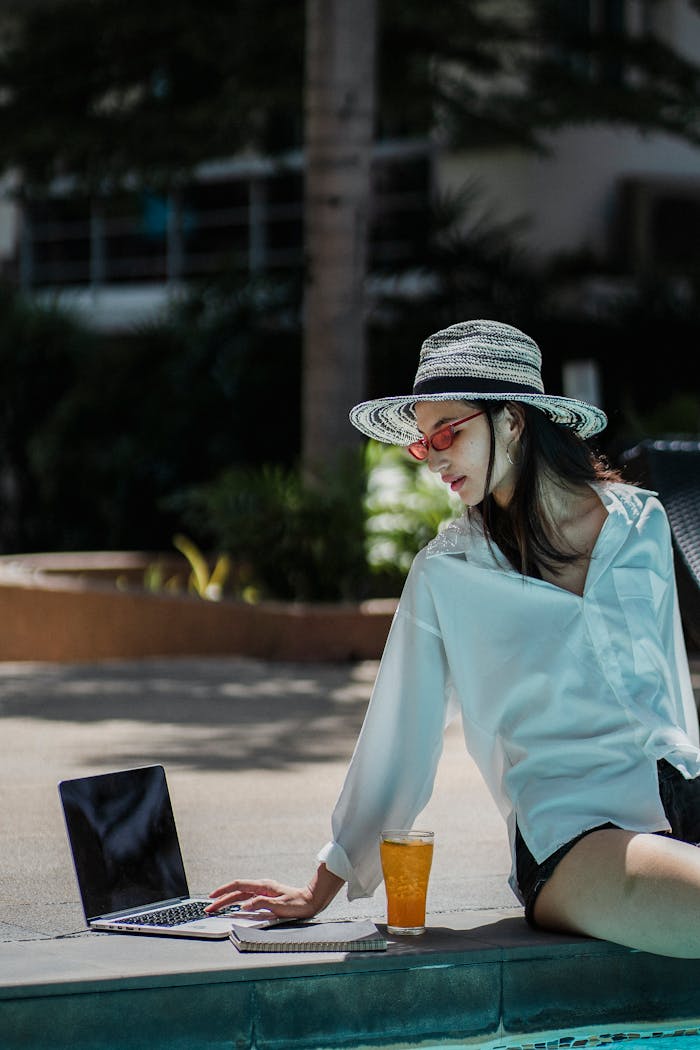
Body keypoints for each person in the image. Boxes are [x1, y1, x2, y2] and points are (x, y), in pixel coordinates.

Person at [207, 319, 700, 958]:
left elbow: (669, 694)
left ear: (514, 421)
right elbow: (397, 741)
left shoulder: (643, 523)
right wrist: (322, 886)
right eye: (422, 442)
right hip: (575, 834)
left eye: (448, 431)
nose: (434, 455)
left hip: (682, 801)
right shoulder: (449, 574)